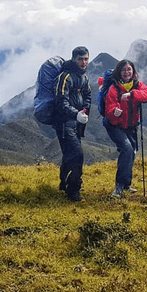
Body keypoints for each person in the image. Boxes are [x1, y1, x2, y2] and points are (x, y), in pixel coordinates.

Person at [103, 59, 147, 198]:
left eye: (129, 69)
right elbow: (108, 109)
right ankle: (118, 186)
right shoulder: (114, 88)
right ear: (119, 72)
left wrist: (132, 94)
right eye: (124, 70)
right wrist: (114, 111)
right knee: (127, 149)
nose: (126, 72)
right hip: (115, 126)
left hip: (131, 127)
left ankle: (126, 185)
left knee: (132, 152)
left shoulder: (137, 85)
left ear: (133, 71)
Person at [53, 46, 91, 202]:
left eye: (86, 59)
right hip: (64, 123)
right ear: (74, 59)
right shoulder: (65, 77)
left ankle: (64, 184)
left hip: (77, 122)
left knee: (70, 154)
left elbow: (88, 95)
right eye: (80, 59)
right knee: (77, 155)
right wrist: (77, 114)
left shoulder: (84, 78)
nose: (83, 62)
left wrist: (84, 112)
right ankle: (73, 192)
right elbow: (60, 102)